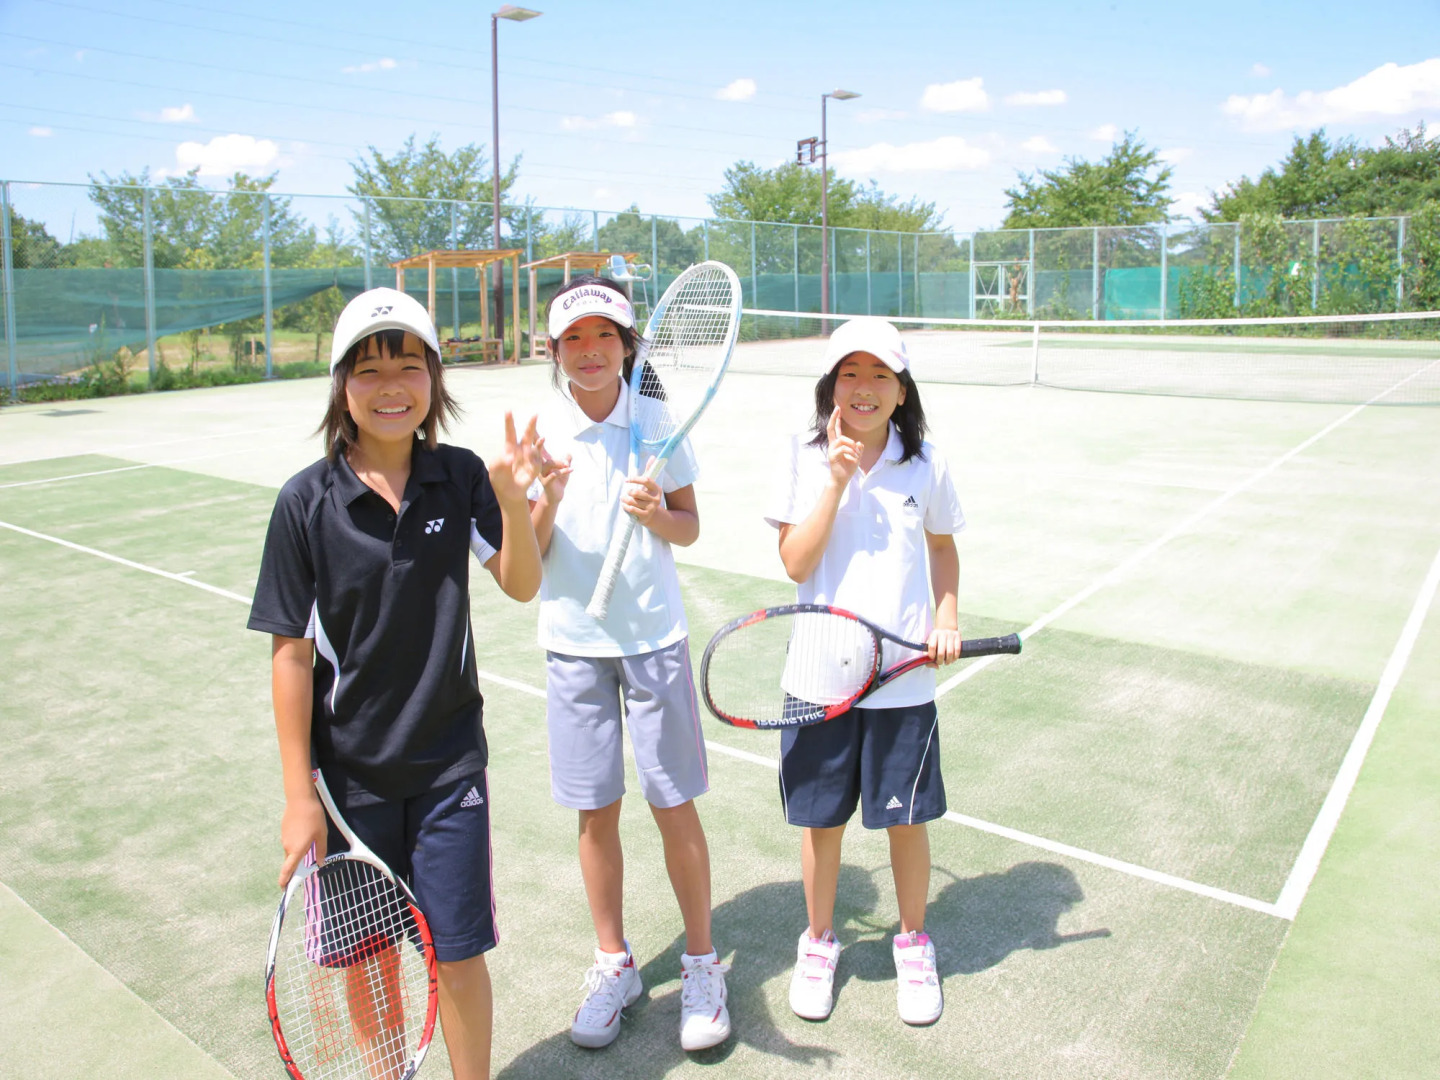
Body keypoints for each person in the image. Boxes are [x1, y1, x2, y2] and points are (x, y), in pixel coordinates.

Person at [248, 287, 544, 1080]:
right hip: (349, 784)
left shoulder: (459, 476)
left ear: (434, 380)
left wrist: (514, 503)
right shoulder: (305, 503)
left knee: (458, 956)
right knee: (371, 959)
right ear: (342, 386)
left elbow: (520, 583)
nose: (391, 386)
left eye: (408, 364)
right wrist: (300, 795)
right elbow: (290, 656)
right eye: (369, 368)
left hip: (451, 769)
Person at [528, 275, 730, 1052]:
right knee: (595, 811)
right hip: (573, 646)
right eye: (573, 339)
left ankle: (703, 960)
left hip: (653, 642)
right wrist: (539, 496)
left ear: (626, 345)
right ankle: (614, 962)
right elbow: (530, 555)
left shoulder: (655, 420)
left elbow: (690, 528)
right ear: (554, 351)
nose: (589, 352)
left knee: (673, 803)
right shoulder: (540, 433)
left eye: (604, 336)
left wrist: (659, 515)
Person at [764, 316, 966, 1027]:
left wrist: (946, 618)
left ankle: (913, 940)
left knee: (905, 820)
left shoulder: (927, 463)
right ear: (830, 386)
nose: (864, 388)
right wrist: (835, 483)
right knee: (822, 826)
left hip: (904, 676)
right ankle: (818, 943)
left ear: (902, 389)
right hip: (819, 675)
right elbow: (794, 562)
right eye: (850, 374)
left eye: (880, 375)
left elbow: (942, 548)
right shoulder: (803, 452)